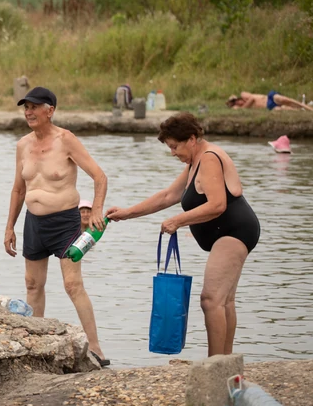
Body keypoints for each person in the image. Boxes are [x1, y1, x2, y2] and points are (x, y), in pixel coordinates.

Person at [107, 113, 260, 357]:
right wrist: (126, 213)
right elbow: (168, 196)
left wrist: (178, 221)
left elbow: (218, 204)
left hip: (234, 231)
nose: (173, 153)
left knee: (211, 300)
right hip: (229, 232)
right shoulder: (194, 162)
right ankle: (226, 363)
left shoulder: (209, 158)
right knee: (224, 301)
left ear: (191, 139)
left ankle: (215, 364)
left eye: (174, 146)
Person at [3, 87, 109, 366]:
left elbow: (99, 176)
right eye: (25, 107)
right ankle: (37, 345)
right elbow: (17, 190)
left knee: (73, 284)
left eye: (35, 107)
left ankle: (96, 347)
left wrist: (96, 209)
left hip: (65, 222)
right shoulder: (22, 145)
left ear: (50, 110)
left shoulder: (66, 140)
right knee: (32, 284)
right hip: (34, 222)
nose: (29, 112)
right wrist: (9, 227)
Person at [227, 91, 313, 111]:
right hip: (269, 106)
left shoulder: (244, 95)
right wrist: (238, 106)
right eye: (235, 103)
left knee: (284, 99)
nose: (237, 103)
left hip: (269, 98)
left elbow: (252, 98)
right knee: (281, 109)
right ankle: (301, 110)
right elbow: (235, 109)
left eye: (236, 100)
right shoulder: (242, 108)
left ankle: (308, 107)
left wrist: (245, 104)